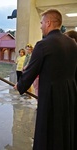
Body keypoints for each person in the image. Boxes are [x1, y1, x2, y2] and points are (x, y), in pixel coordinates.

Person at [14, 8, 77, 150]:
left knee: (48, 131)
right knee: (65, 127)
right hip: (70, 94)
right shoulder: (72, 43)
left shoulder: (43, 44)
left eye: (42, 23)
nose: (40, 26)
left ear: (48, 23)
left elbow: (31, 70)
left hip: (51, 96)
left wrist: (20, 85)